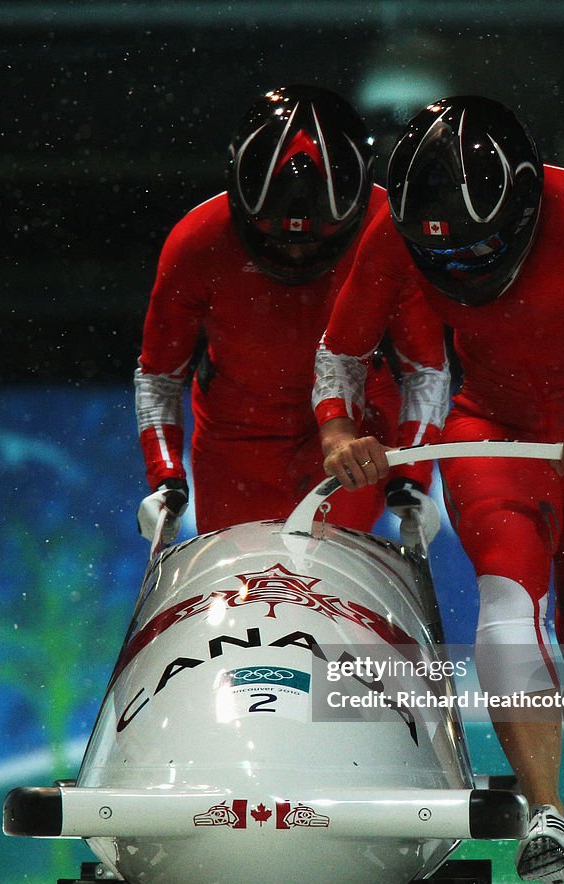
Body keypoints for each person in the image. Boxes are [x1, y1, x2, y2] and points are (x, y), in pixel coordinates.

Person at [313, 96, 564, 884]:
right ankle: (545, 813)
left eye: (483, 250)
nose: (465, 272)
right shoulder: (394, 235)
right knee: (504, 598)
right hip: (490, 429)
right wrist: (335, 433)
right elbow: (340, 352)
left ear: (524, 205)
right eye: (446, 260)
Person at [135, 85, 445, 543]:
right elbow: (159, 374)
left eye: (316, 241)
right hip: (236, 439)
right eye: (279, 241)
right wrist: (165, 477)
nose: (298, 254)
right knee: (240, 586)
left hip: (356, 431)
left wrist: (411, 477)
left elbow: (426, 368)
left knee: (327, 578)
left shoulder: (390, 231)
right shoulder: (196, 244)